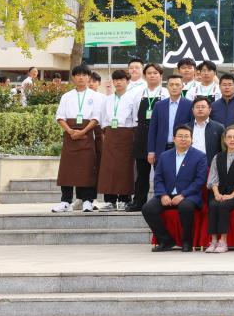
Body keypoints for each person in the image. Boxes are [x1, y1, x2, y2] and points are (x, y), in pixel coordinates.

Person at [142, 124, 209, 251]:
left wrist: (183, 195)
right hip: (167, 194)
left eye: (186, 136)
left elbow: (200, 180)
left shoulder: (200, 156)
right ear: (174, 139)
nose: (183, 139)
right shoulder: (164, 156)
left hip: (189, 196)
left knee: (185, 207)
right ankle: (166, 240)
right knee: (148, 209)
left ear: (192, 139)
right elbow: (158, 178)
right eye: (180, 136)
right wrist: (163, 195)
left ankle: (187, 241)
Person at [53, 65, 105, 213]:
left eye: (84, 75)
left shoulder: (96, 96)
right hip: (70, 135)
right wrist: (70, 130)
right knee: (67, 169)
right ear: (73, 78)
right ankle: (65, 201)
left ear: (89, 77)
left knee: (88, 169)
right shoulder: (66, 96)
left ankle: (87, 201)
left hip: (88, 135)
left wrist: (83, 131)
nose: (81, 77)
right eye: (78, 75)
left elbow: (96, 118)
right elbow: (60, 116)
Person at [205, 125, 234, 253]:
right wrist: (216, 193)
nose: (232, 140)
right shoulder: (217, 157)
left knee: (223, 205)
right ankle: (213, 241)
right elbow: (212, 179)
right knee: (213, 204)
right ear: (225, 140)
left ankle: (223, 241)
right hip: (219, 193)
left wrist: (232, 195)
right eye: (229, 137)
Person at [96, 70, 138, 212]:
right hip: (110, 134)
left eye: (121, 80)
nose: (118, 82)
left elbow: (136, 119)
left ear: (127, 81)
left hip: (127, 134)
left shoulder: (133, 98)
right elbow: (103, 119)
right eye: (116, 80)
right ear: (113, 82)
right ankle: (110, 200)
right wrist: (105, 134)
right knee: (108, 168)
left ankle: (125, 199)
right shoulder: (107, 99)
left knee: (125, 168)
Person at [128, 63, 168, 212]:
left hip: (160, 134)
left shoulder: (166, 93)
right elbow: (134, 115)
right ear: (145, 76)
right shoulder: (138, 93)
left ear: (161, 75)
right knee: (142, 172)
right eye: (149, 73)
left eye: (155, 73)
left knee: (161, 171)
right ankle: (139, 201)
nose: (152, 75)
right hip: (142, 134)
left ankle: (160, 200)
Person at [187, 97, 225, 163]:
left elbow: (223, 149)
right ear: (193, 110)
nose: (200, 109)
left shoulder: (219, 128)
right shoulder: (186, 127)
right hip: (190, 163)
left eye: (203, 107)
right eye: (197, 107)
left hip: (211, 164)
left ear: (209, 109)